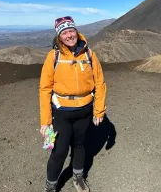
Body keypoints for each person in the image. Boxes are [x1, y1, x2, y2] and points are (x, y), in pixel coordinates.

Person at [39, 16, 107, 192]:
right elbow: (45, 88)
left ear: (76, 31)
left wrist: (99, 111)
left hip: (85, 110)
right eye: (64, 32)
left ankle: (78, 177)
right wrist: (45, 122)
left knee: (79, 146)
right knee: (59, 152)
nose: (69, 35)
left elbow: (99, 83)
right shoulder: (53, 56)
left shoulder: (89, 54)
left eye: (71, 30)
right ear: (59, 36)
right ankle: (51, 187)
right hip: (61, 113)